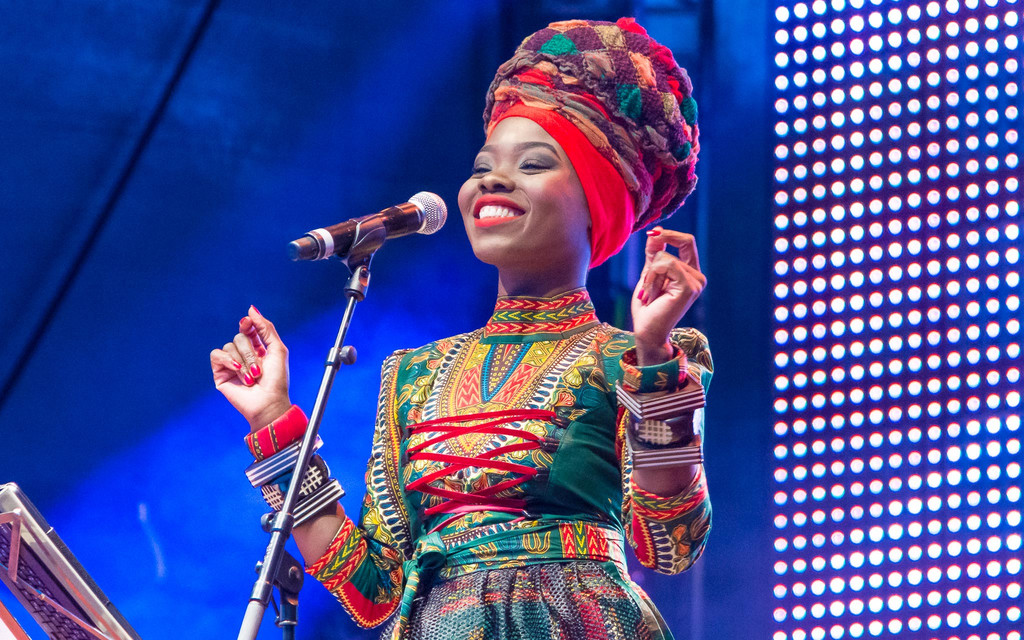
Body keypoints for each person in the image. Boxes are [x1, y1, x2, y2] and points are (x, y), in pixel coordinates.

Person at [211, 17, 712, 640]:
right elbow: (374, 592)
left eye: (534, 163)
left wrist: (655, 356)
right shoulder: (412, 376)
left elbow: (670, 543)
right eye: (482, 166)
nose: (491, 180)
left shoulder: (637, 359)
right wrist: (273, 423)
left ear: (598, 204)